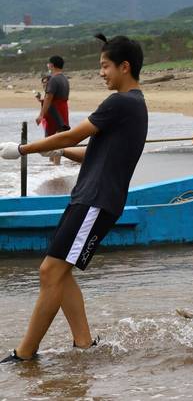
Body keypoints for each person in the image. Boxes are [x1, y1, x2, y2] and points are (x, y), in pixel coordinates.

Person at [0, 34, 147, 363]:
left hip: (96, 201)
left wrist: (22, 150)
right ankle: (83, 343)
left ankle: (25, 353)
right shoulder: (134, 105)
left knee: (50, 271)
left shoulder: (121, 102)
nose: (101, 73)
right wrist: (61, 152)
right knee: (57, 272)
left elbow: (74, 133)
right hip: (89, 198)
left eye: (105, 66)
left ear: (125, 66)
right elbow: (97, 152)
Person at [37, 55, 70, 164]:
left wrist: (41, 115)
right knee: (59, 136)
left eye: (48, 63)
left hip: (55, 110)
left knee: (52, 138)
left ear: (52, 65)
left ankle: (54, 165)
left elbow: (48, 98)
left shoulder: (53, 79)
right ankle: (55, 166)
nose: (48, 65)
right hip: (64, 109)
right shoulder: (64, 79)